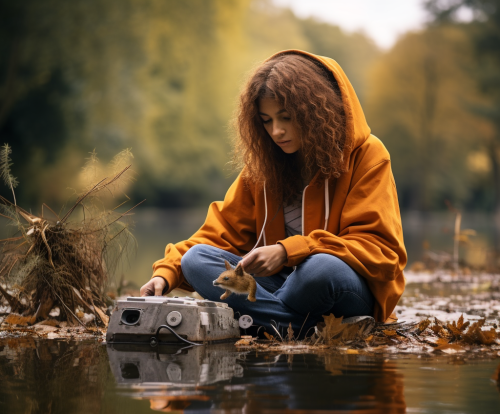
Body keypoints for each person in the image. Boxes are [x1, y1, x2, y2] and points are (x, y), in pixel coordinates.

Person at [140, 50, 407, 334]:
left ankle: (260, 319)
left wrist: (287, 251)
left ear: (316, 112)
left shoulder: (368, 154)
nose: (277, 131)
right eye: (266, 121)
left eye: (286, 117)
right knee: (196, 260)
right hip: (280, 287)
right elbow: (218, 232)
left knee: (318, 269)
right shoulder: (264, 166)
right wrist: (167, 273)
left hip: (342, 287)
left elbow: (380, 251)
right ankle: (298, 328)